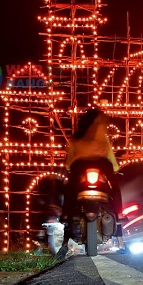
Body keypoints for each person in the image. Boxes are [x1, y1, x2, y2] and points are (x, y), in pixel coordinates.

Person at [57, 108, 125, 258]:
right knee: (114, 191)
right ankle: (119, 221)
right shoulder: (102, 133)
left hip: (79, 167)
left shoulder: (76, 137)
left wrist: (70, 167)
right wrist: (114, 168)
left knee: (70, 195)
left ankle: (64, 241)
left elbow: (69, 163)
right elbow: (111, 158)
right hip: (102, 165)